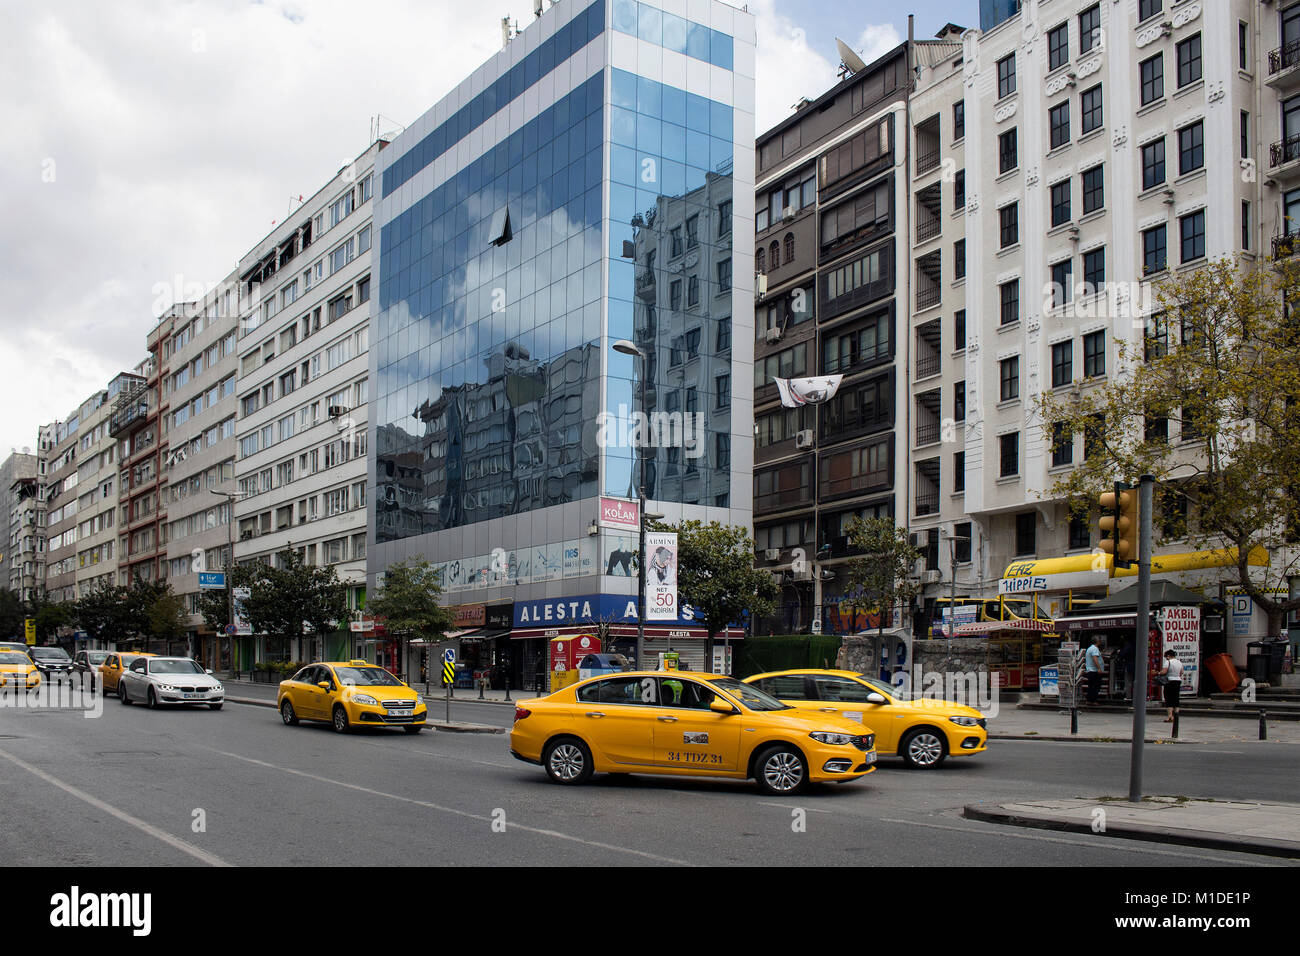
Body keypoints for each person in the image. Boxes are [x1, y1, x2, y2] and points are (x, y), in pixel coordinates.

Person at [1160, 650, 1183, 722]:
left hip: (1169, 681)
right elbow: (1181, 672)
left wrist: (1158, 672)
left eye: (1166, 656)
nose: (1166, 658)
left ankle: (1170, 716)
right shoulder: (1179, 662)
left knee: (1168, 697)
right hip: (1178, 681)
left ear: (1168, 656)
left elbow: (1164, 671)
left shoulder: (1168, 662)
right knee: (1176, 697)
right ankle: (1176, 715)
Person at [1084, 635, 1104, 704]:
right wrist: (1099, 668)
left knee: (1091, 685)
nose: (1101, 641)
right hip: (1094, 671)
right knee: (1095, 686)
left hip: (1090, 670)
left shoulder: (1090, 648)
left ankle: (1089, 699)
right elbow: (1095, 658)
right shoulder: (1095, 649)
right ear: (1097, 641)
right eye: (1100, 640)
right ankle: (1093, 700)